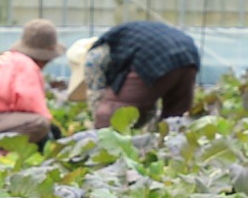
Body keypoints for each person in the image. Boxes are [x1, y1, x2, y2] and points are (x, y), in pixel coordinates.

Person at [66, 20, 201, 127]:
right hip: (188, 56)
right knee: (174, 120)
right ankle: (169, 153)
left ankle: (106, 158)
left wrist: (97, 121)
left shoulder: (93, 55)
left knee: (110, 114)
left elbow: (96, 94)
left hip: (153, 56)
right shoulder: (120, 44)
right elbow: (149, 99)